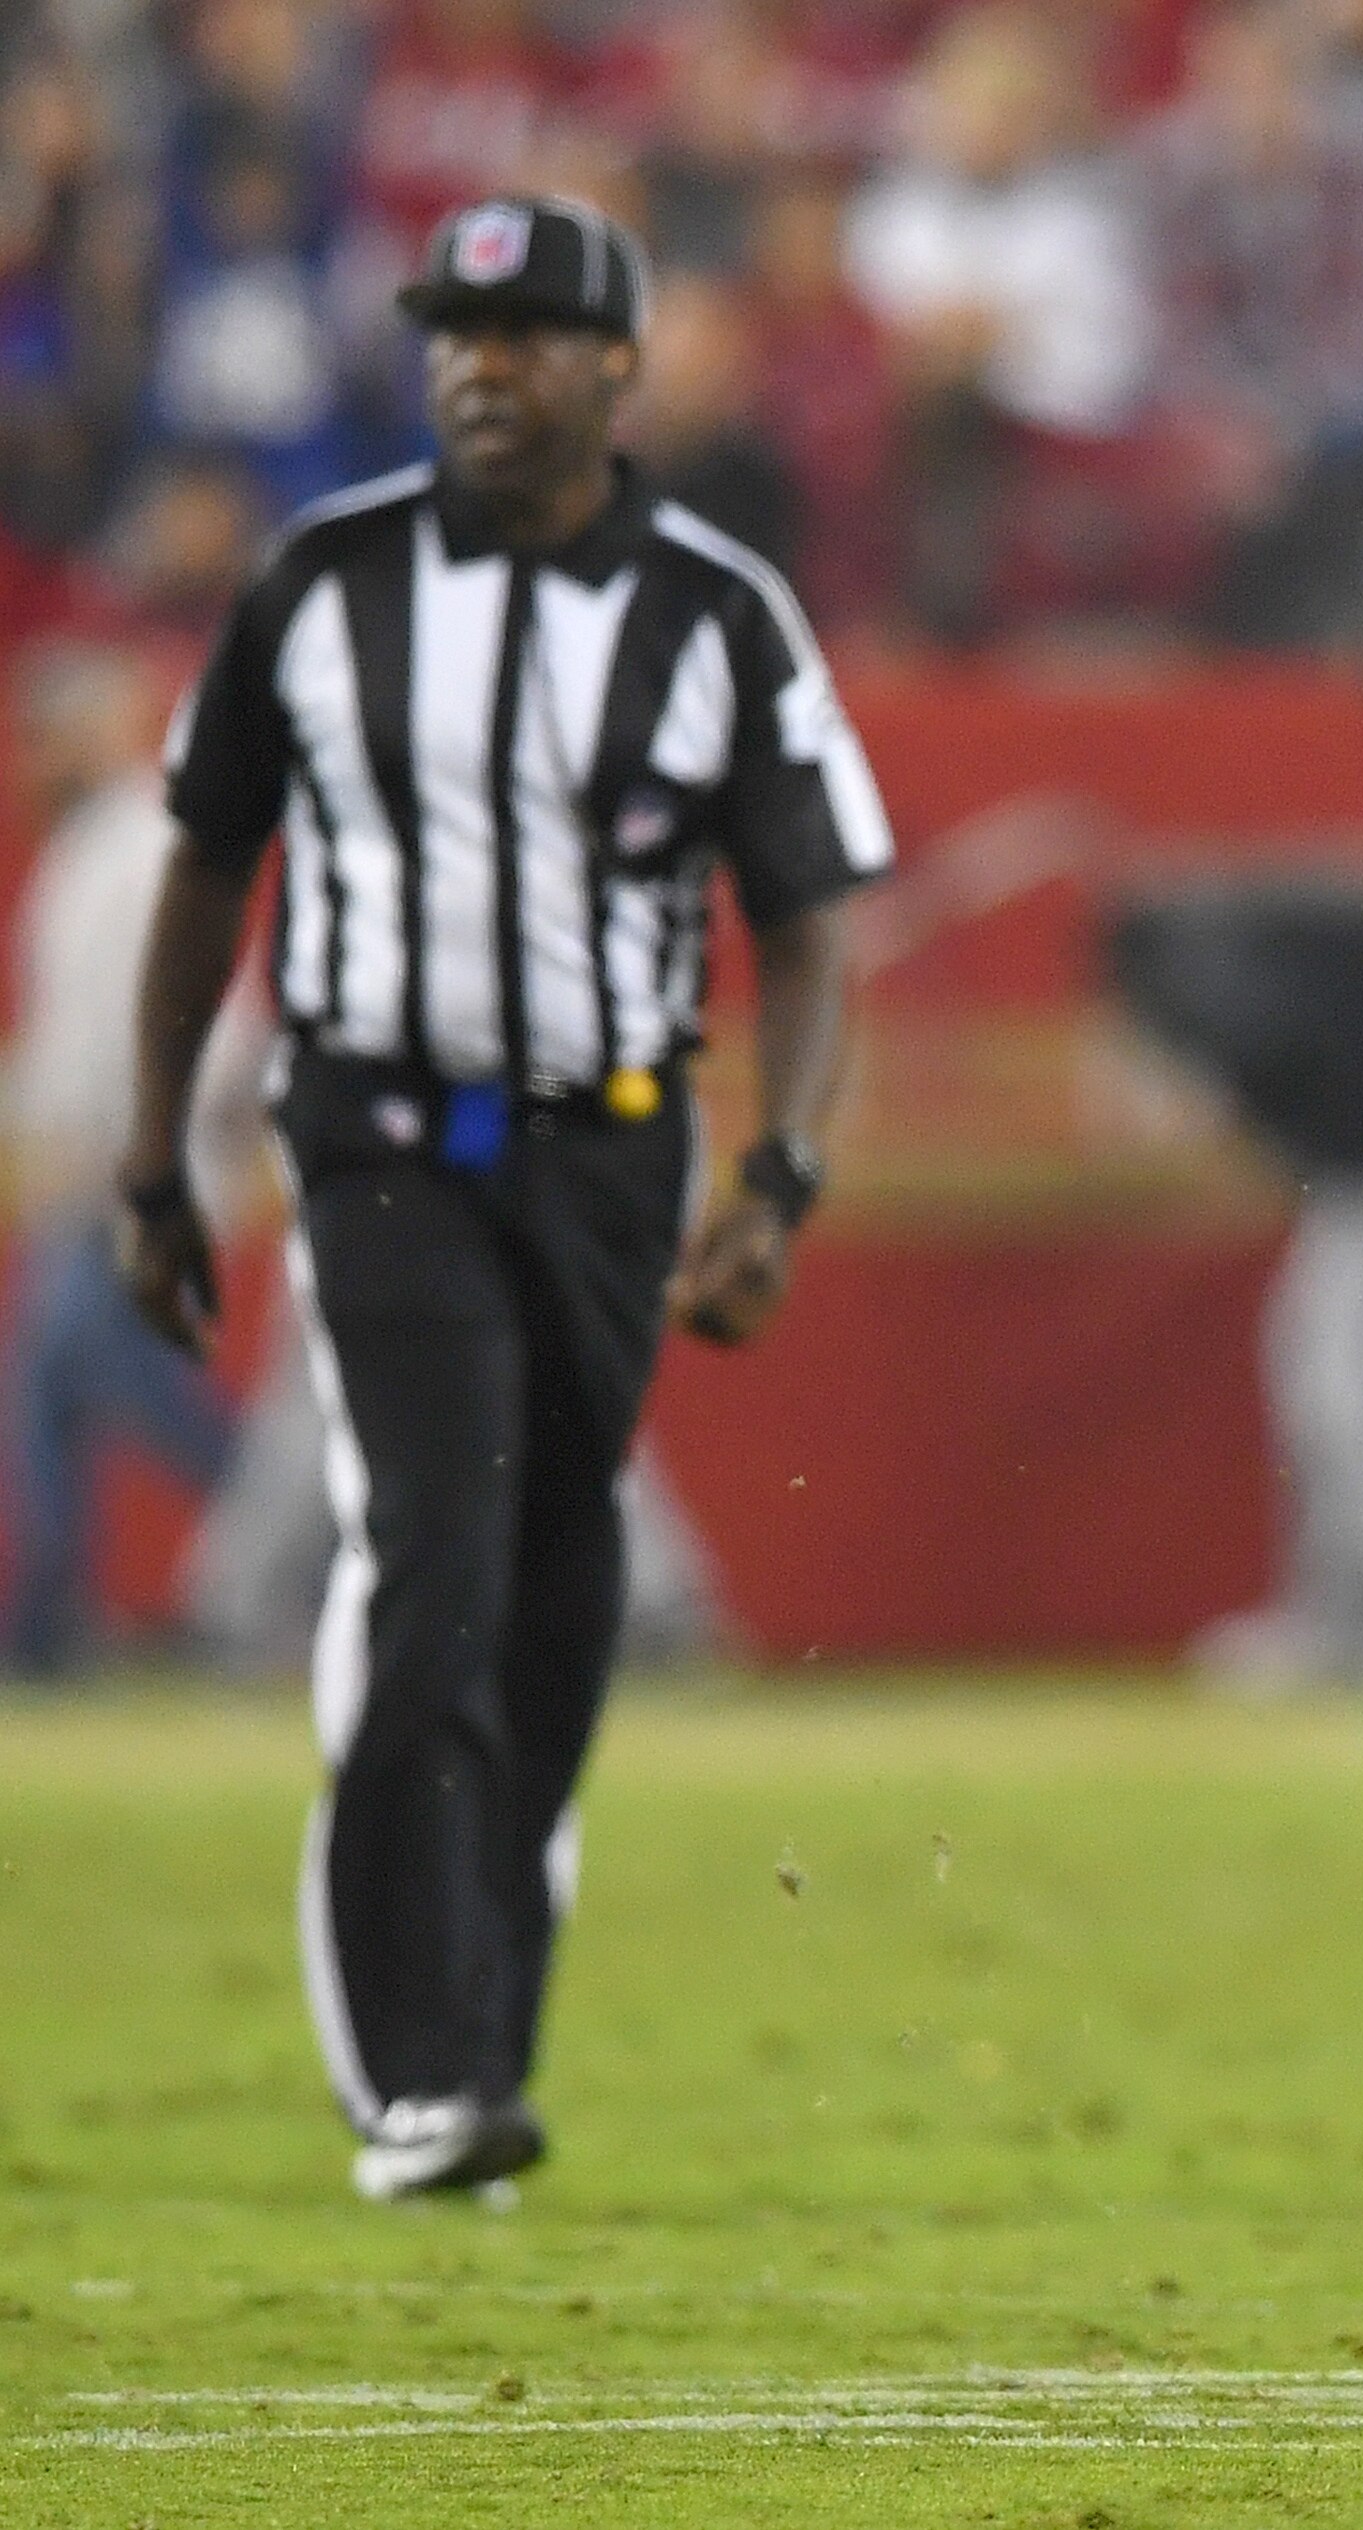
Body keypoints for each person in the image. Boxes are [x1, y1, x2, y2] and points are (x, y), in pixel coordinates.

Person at [115, 194, 888, 2203]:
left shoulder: (717, 610)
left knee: (555, 1602)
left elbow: (808, 919)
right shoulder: (322, 578)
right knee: (433, 1565)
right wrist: (151, 1148)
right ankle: (417, 2073)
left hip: (612, 1148)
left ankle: (477, 2028)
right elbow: (206, 858)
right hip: (376, 1132)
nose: (484, 362)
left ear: (619, 368)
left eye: (533, 330)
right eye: (456, 329)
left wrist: (779, 1169)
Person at [3, 643, 235, 1678]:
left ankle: (285, 1541)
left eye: (59, 731)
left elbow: (198, 1019)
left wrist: (111, 1147)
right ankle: (55, 1619)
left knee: (100, 1374)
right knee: (70, 1380)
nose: (40, 754)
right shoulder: (92, 848)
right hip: (99, 1173)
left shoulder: (142, 848)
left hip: (131, 1178)